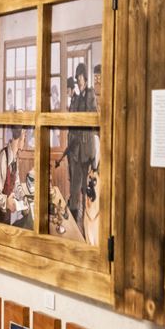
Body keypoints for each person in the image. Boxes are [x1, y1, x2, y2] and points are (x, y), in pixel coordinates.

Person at [65, 63, 97, 230]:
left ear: (85, 77)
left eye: (81, 77)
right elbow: (73, 120)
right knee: (74, 188)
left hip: (87, 151)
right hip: (77, 151)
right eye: (77, 78)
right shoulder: (77, 98)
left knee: (86, 189)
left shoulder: (90, 94)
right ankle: (73, 224)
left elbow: (92, 116)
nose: (79, 81)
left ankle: (85, 225)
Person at [0, 127, 32, 229]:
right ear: (20, 136)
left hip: (8, 214)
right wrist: (6, 203)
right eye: (25, 136)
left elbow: (16, 184)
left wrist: (23, 198)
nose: (25, 140)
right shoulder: (4, 157)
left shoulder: (15, 157)